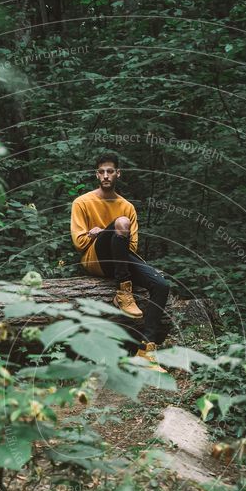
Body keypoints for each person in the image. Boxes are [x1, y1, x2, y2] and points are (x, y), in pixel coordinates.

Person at [70, 151, 170, 372]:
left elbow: (131, 247)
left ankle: (147, 350)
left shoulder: (127, 207)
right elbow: (79, 242)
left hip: (120, 259)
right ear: (97, 175)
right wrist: (98, 234)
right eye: (102, 172)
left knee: (162, 286)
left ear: (118, 174)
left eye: (110, 171)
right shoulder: (82, 202)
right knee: (120, 223)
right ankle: (123, 291)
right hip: (94, 259)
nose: (106, 175)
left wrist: (113, 230)